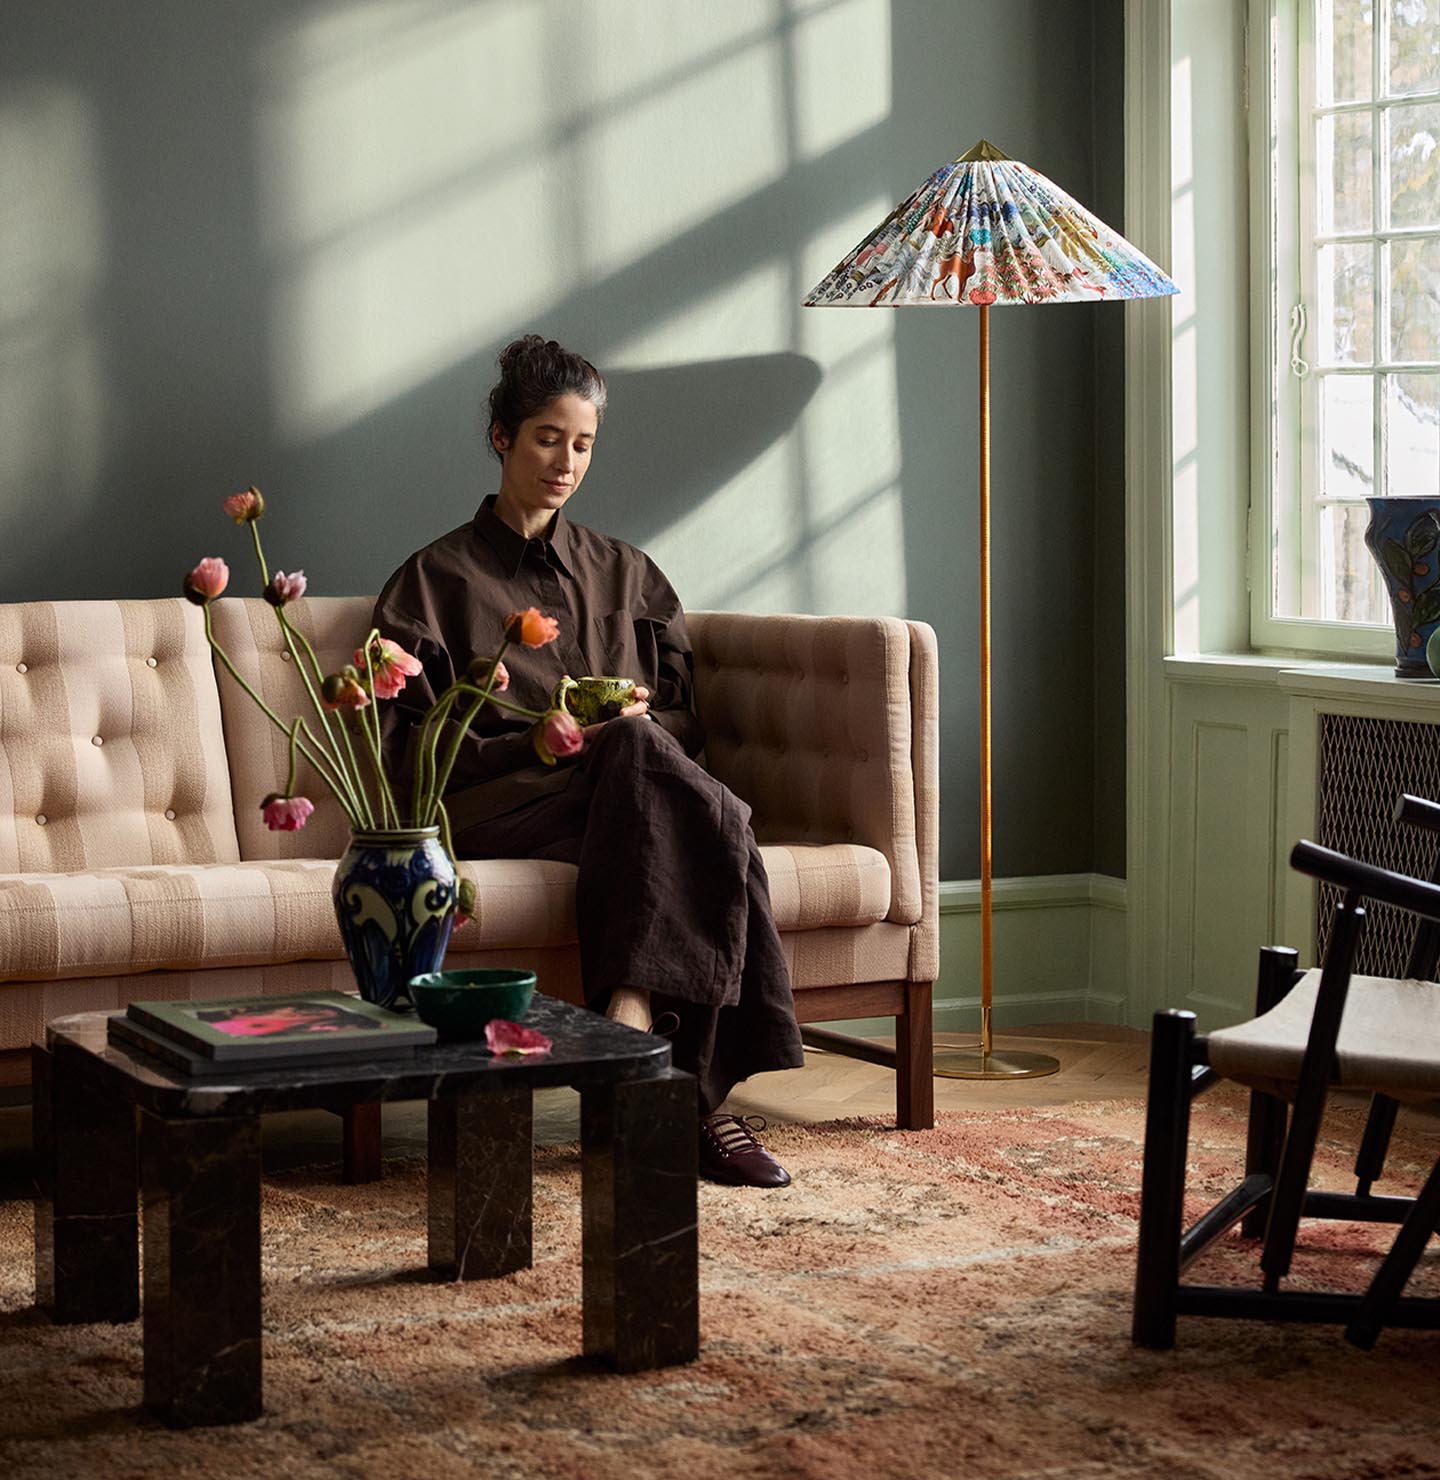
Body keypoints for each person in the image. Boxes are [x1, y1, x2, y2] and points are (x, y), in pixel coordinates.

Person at [372, 334, 804, 1187]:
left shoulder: (628, 572)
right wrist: (532, 740)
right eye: (546, 438)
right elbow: (407, 756)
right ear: (501, 436)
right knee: (715, 818)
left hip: (618, 800)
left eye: (583, 444)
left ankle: (641, 1031)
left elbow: (686, 721)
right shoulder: (431, 582)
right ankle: (685, 1084)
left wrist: (639, 724)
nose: (565, 462)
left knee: (648, 757)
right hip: (502, 805)